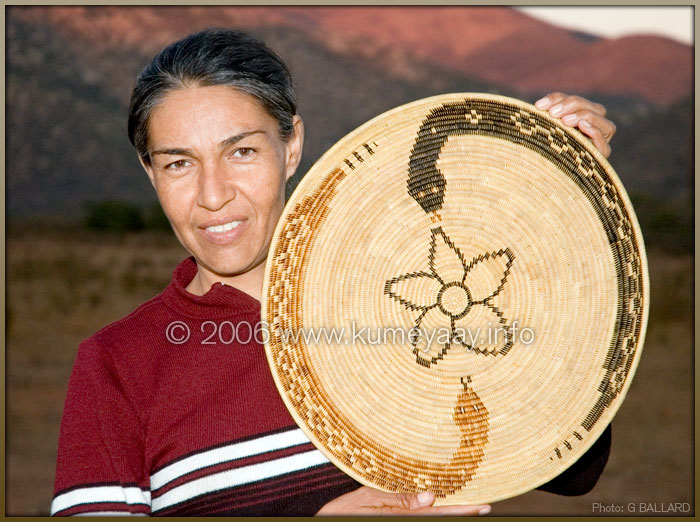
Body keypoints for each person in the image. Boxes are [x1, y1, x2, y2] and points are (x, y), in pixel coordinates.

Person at [51, 28, 617, 516]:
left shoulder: (398, 300)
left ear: (291, 145)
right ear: (150, 173)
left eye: (242, 152)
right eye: (178, 163)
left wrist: (561, 194)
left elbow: (572, 467)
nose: (213, 195)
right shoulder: (116, 366)